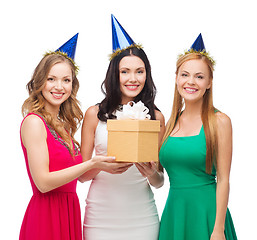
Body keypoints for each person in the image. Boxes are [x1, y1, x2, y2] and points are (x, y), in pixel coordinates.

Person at [19, 33, 131, 240]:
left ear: (73, 85)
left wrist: (105, 162)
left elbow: (74, 173)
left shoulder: (64, 126)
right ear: (40, 82)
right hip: (45, 217)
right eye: (51, 79)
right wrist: (91, 164)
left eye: (66, 80)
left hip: (68, 211)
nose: (59, 86)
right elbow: (43, 182)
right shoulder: (34, 122)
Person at [80, 15, 165, 240]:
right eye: (125, 71)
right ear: (114, 75)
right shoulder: (94, 114)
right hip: (100, 216)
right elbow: (81, 176)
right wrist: (103, 164)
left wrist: (151, 172)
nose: (133, 78)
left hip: (142, 217)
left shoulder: (155, 117)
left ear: (147, 74)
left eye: (140, 71)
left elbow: (159, 181)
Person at [158, 34, 237, 240]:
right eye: (185, 75)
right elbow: (158, 175)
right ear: (176, 78)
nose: (190, 82)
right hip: (175, 214)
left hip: (208, 216)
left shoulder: (219, 121)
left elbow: (224, 180)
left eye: (199, 76)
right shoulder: (170, 123)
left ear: (209, 82)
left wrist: (218, 229)